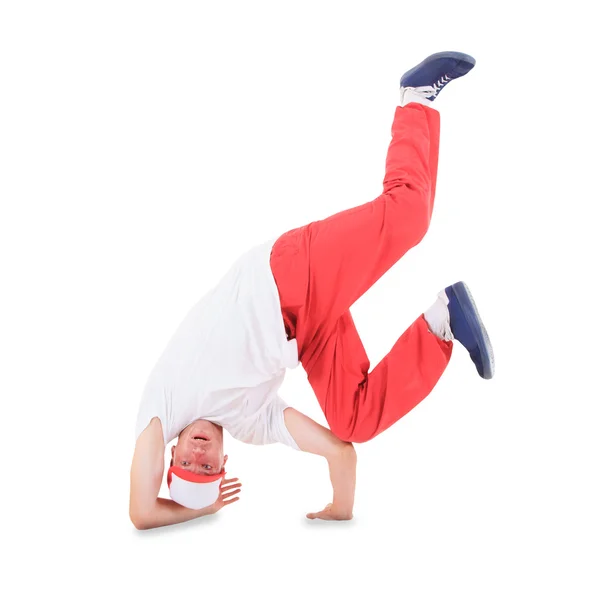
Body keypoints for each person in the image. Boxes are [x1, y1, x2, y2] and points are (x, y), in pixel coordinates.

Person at [129, 51, 494, 530]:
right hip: (309, 336)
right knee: (355, 421)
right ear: (223, 465)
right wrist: (341, 509)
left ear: (170, 452)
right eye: (207, 469)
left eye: (185, 465)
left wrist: (201, 503)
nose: (198, 457)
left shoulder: (164, 405)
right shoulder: (251, 423)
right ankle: (443, 321)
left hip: (283, 279)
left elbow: (140, 513)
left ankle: (414, 101)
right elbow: (341, 453)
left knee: (408, 215)